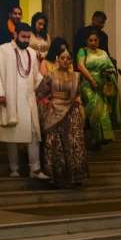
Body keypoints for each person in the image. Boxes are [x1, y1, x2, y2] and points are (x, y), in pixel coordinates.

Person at [0, 22, 47, 180]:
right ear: (15, 34)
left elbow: (36, 76)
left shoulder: (31, 52)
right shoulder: (1, 50)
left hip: (29, 99)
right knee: (12, 134)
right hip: (11, 98)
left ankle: (35, 169)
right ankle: (14, 168)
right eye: (23, 36)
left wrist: (47, 87)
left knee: (33, 133)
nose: (26, 40)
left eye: (29, 37)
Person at [36, 47, 89, 188]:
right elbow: (40, 94)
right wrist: (47, 102)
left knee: (73, 143)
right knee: (55, 144)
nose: (65, 61)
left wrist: (77, 99)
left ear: (71, 61)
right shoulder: (50, 76)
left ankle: (74, 177)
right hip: (54, 113)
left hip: (72, 112)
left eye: (68, 59)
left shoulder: (76, 76)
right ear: (57, 59)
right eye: (62, 58)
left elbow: (78, 93)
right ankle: (55, 177)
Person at [77, 28, 121, 145]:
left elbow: (111, 67)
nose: (93, 43)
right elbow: (81, 67)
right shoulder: (83, 51)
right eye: (90, 40)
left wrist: (108, 73)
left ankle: (104, 136)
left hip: (102, 86)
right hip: (87, 85)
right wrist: (92, 80)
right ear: (86, 41)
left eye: (95, 40)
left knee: (103, 110)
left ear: (99, 41)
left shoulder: (103, 53)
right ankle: (96, 136)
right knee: (94, 107)